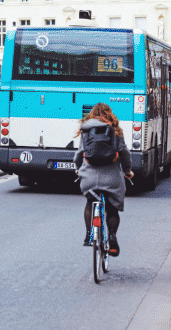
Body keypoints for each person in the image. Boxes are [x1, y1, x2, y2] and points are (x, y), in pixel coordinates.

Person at [73, 103, 134, 257]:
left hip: (89, 178)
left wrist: (78, 168)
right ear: (109, 114)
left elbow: (80, 154)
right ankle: (112, 236)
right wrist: (127, 171)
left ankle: (89, 235)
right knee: (112, 208)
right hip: (112, 178)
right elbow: (124, 153)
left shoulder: (86, 130)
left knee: (89, 202)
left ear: (92, 114)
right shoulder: (115, 130)